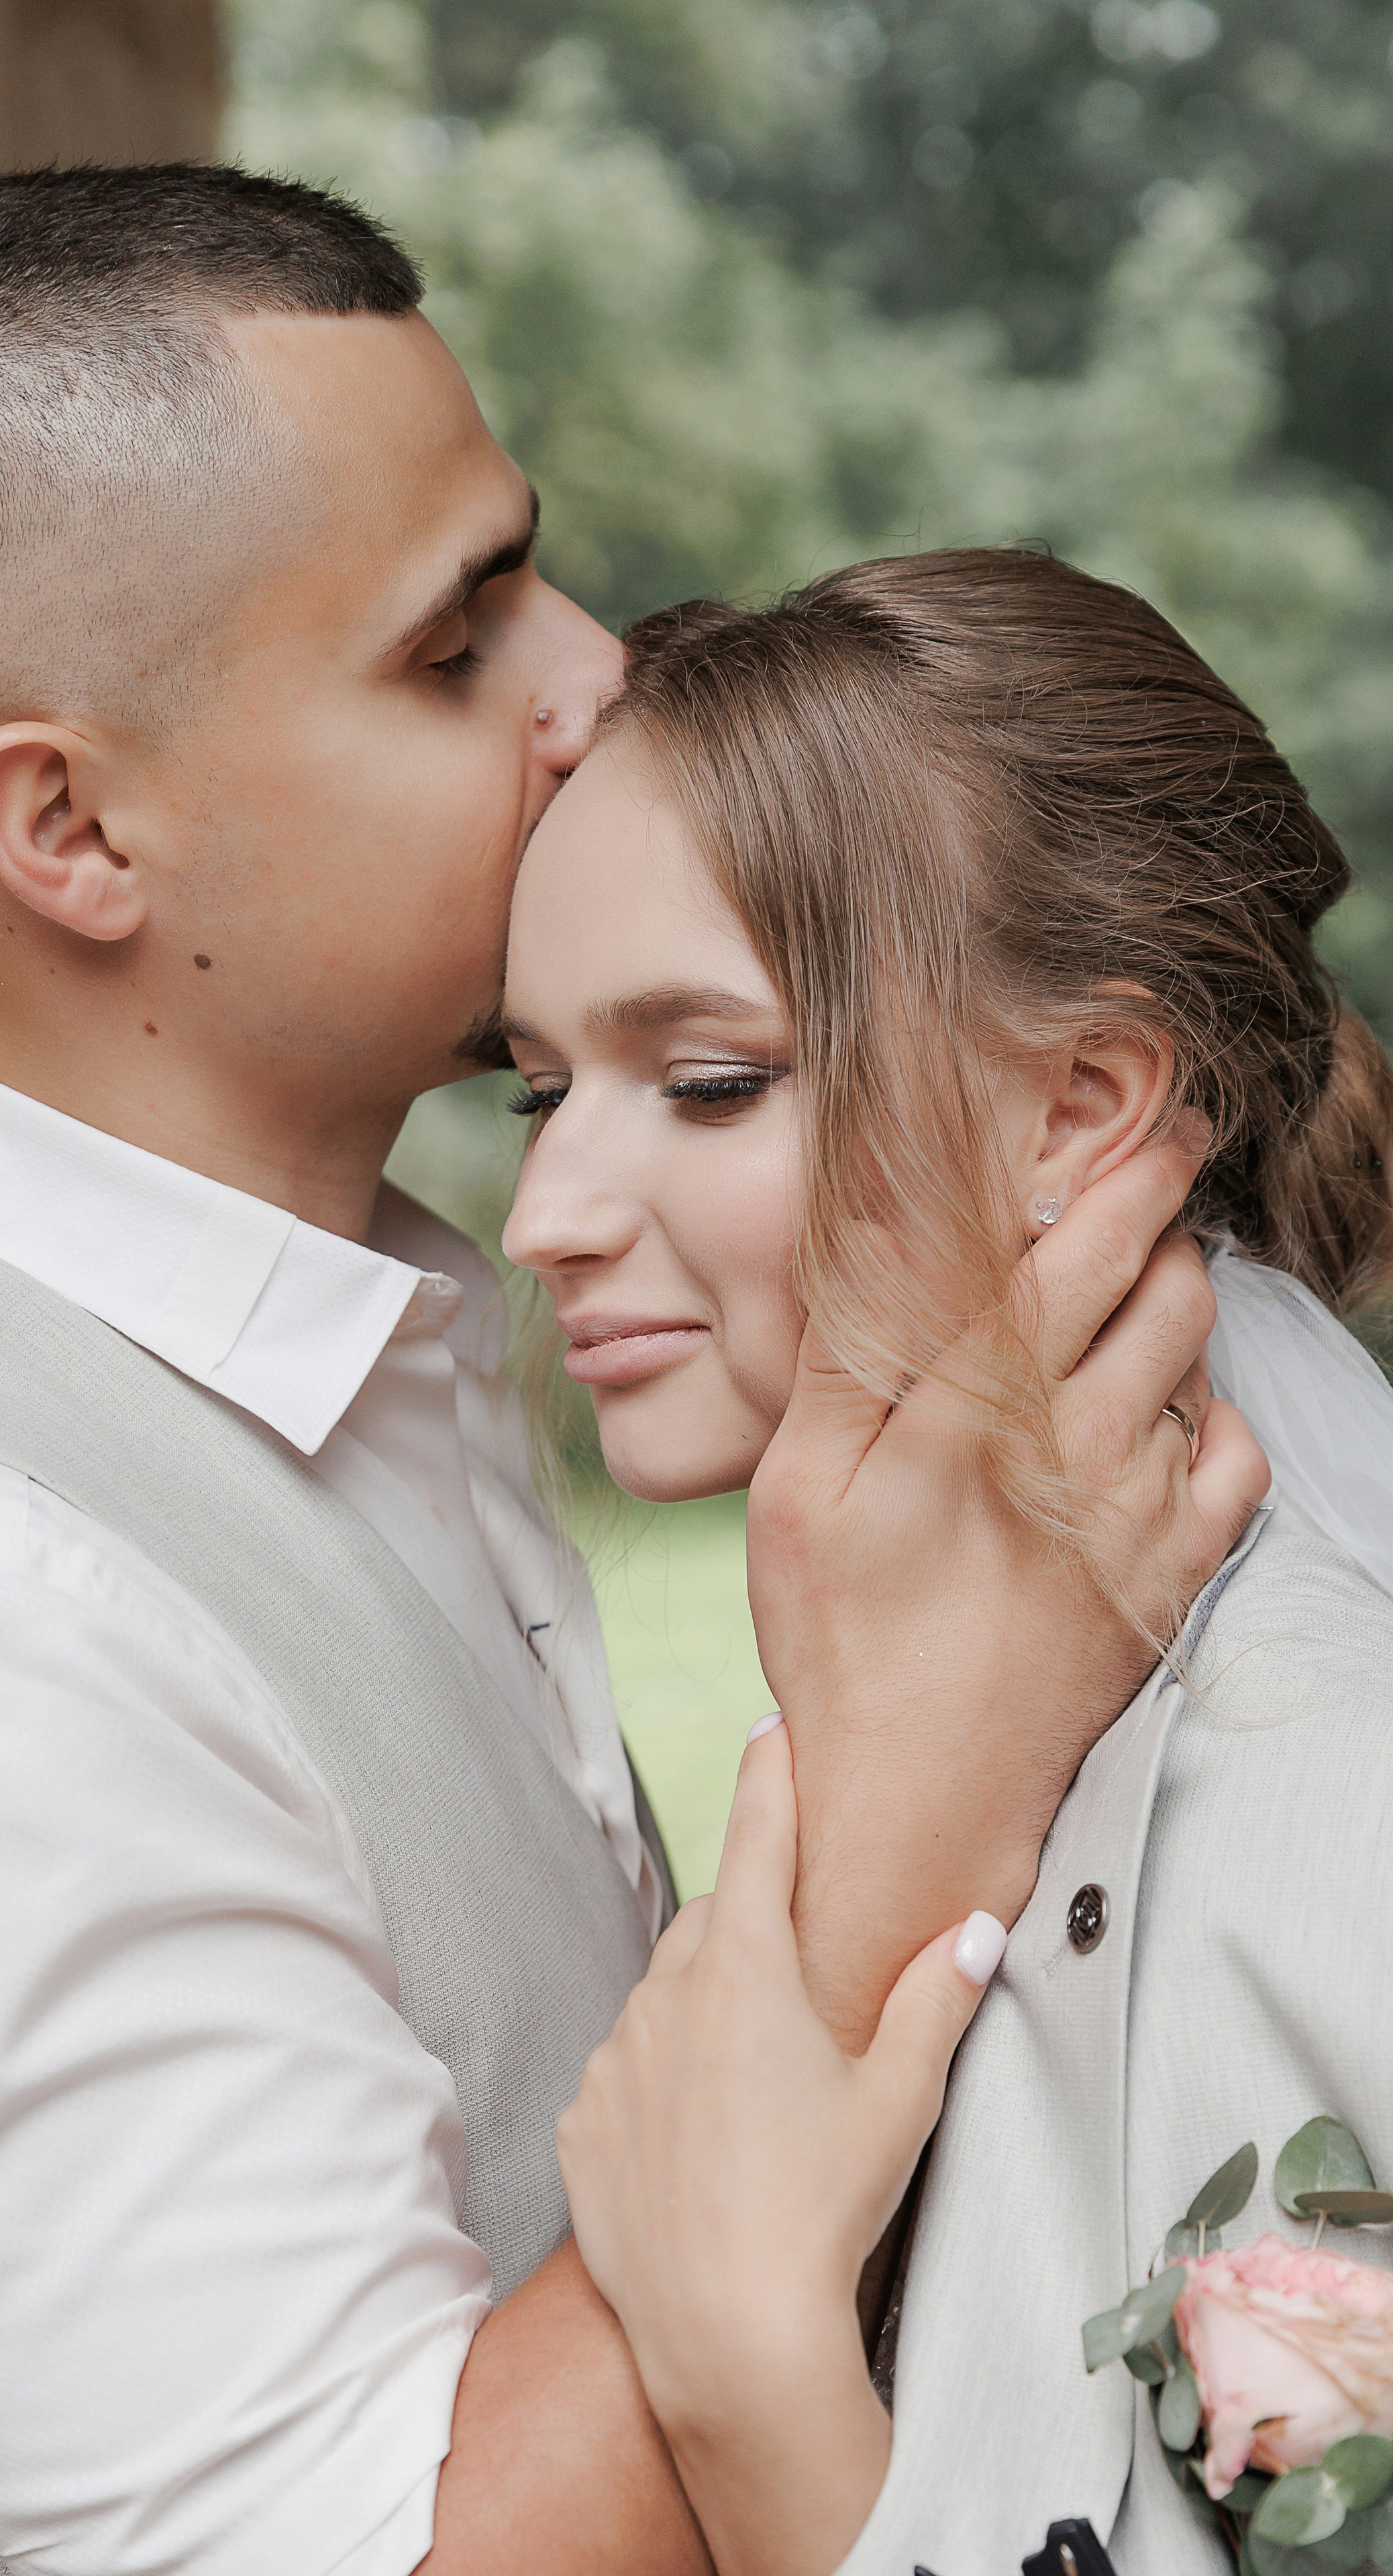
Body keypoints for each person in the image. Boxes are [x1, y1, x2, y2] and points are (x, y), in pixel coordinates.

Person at [0, 172, 1260, 2576]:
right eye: (452, 646)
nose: (595, 674)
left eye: (531, 563)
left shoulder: (376, 1338)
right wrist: (914, 1808)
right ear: (73, 827)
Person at [506, 546, 1393, 2573]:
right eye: (539, 1085)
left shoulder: (1317, 1805)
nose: (545, 1207)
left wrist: (750, 2384)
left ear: (1083, 1104)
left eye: (707, 1080)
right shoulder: (914, 1722)